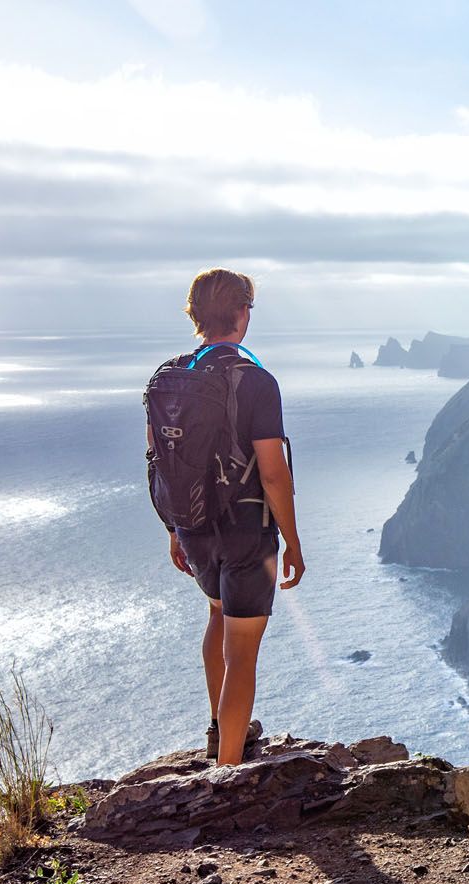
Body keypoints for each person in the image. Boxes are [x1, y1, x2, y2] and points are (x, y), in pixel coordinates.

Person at [153, 268, 305, 765]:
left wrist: (176, 529)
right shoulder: (257, 382)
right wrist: (293, 544)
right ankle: (228, 771)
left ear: (196, 316)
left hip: (194, 529)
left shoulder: (170, 378)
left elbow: (161, 461)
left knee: (218, 615)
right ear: (242, 313)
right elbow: (274, 475)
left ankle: (220, 729)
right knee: (243, 651)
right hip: (245, 533)